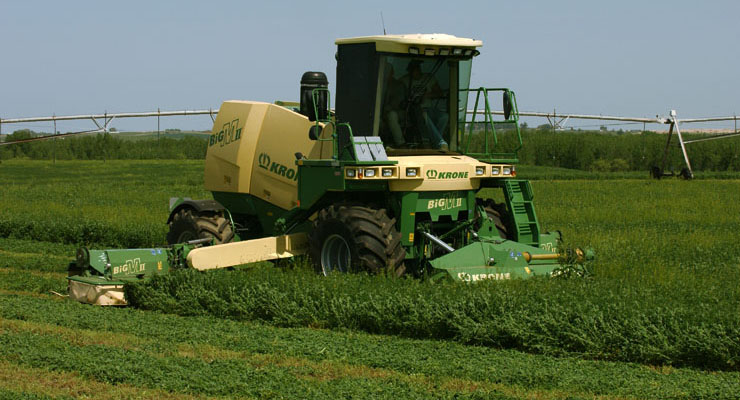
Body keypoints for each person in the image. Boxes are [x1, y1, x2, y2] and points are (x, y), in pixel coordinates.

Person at [403, 60, 449, 150]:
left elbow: (440, 93)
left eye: (417, 68)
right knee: (424, 115)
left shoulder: (429, 78)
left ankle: (433, 140)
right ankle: (440, 143)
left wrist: (428, 95)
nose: (416, 71)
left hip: (430, 108)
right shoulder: (405, 80)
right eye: (413, 70)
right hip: (415, 111)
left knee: (444, 116)